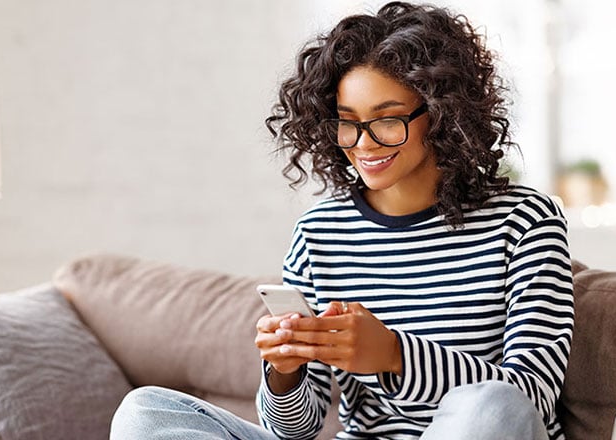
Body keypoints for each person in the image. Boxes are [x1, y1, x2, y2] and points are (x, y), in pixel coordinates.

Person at [110, 2, 574, 439]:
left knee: (493, 404)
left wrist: (394, 355)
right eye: (347, 121)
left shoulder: (524, 221)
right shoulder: (320, 233)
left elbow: (530, 395)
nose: (363, 144)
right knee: (146, 413)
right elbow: (294, 430)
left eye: (387, 120)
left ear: (441, 114)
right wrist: (284, 371)